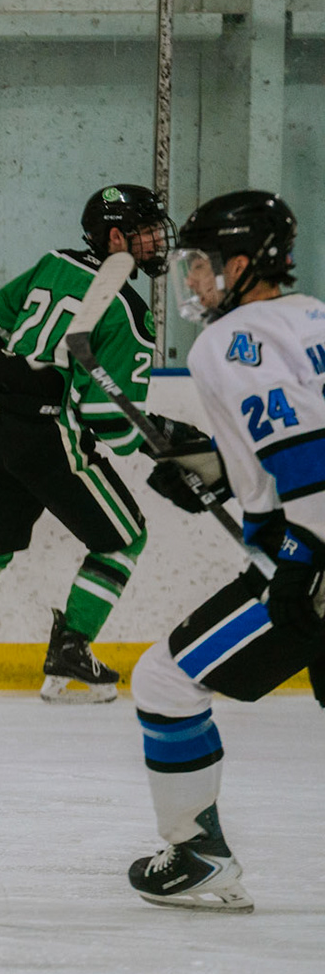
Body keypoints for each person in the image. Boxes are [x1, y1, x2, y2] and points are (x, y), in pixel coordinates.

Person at [0, 184, 174, 703]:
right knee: (123, 539)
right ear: (116, 237)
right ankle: (71, 649)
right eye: (144, 232)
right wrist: (159, 436)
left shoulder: (52, 265)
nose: (156, 242)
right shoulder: (128, 311)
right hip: (48, 438)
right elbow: (110, 425)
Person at [121, 190, 308, 912]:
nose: (193, 279)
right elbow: (289, 447)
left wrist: (304, 558)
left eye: (203, 264)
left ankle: (199, 857)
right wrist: (221, 471)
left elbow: (311, 456)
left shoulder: (230, 341)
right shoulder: (315, 318)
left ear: (244, 263)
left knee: (165, 683)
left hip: (309, 560)